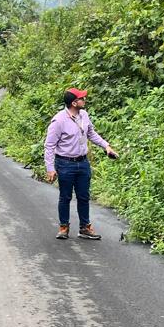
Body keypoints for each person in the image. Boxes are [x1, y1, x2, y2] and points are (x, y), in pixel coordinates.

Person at [43, 88, 118, 240]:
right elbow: (49, 146)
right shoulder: (59, 121)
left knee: (84, 196)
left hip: (83, 162)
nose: (85, 100)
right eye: (82, 98)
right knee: (65, 197)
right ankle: (64, 227)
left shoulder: (84, 115)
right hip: (65, 163)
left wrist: (106, 146)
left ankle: (85, 228)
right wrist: (50, 168)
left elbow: (91, 134)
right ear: (74, 103)